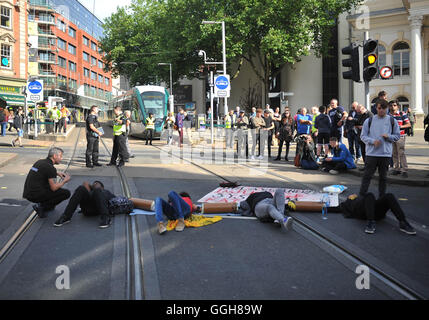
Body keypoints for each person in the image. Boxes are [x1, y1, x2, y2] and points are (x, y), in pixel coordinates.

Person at [359, 99, 400, 198]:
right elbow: (363, 136)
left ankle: (382, 198)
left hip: (385, 154)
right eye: (379, 108)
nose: (381, 110)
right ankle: (361, 197)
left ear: (387, 108)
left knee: (383, 178)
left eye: (384, 108)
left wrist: (388, 136)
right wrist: (373, 141)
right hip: (371, 154)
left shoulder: (392, 120)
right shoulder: (369, 120)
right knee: (367, 176)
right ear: (376, 108)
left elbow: (397, 136)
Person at [22, 147, 71, 218]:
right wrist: (64, 181)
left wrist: (57, 173)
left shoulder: (39, 162)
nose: (61, 158)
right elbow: (54, 188)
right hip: (35, 195)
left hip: (28, 192)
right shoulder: (50, 168)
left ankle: (46, 205)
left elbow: (41, 171)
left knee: (48, 185)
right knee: (66, 193)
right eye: (60, 156)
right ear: (54, 156)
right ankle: (43, 207)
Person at [339, 193, 416, 235]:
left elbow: (371, 202)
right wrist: (326, 208)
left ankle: (403, 222)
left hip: (374, 211)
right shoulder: (346, 203)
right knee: (370, 195)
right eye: (351, 196)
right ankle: (370, 223)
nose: (352, 195)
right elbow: (336, 208)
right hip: (362, 213)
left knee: (389, 196)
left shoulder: (361, 197)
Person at [389, 100, 411, 178]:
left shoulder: (402, 114)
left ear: (398, 106)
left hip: (400, 136)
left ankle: (404, 170)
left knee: (401, 153)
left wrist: (399, 127)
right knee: (394, 153)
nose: (393, 107)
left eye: (394, 105)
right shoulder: (388, 115)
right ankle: (397, 169)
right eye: (391, 105)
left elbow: (408, 124)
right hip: (391, 137)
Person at [354, 104, 373, 168]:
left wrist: (363, 127)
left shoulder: (370, 114)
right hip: (361, 136)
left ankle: (370, 166)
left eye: (359, 112)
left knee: (368, 152)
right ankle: (366, 165)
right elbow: (358, 122)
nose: (358, 113)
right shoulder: (360, 115)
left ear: (363, 108)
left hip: (368, 136)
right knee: (363, 152)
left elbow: (372, 125)